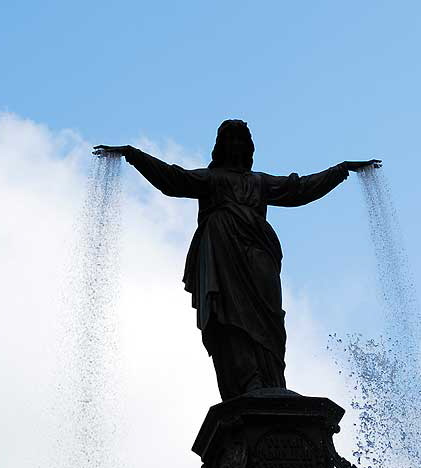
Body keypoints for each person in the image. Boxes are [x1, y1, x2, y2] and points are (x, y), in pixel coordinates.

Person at [94, 120, 380, 401]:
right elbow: (173, 180)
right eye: (230, 139)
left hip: (259, 251)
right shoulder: (211, 179)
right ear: (220, 146)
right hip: (221, 252)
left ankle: (273, 380)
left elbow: (301, 189)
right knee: (229, 316)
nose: (236, 145)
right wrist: (133, 155)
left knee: (270, 317)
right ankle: (248, 381)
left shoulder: (260, 182)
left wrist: (340, 170)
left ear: (249, 147)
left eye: (241, 139)